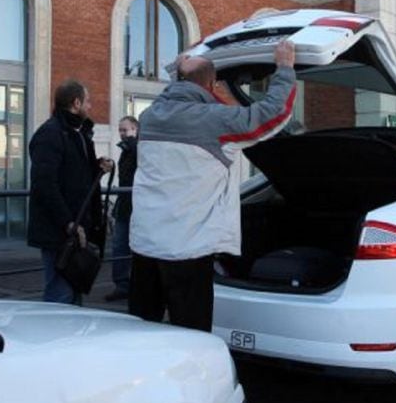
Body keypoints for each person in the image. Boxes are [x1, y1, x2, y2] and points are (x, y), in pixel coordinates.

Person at [129, 40, 297, 332]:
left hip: (145, 245)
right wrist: (285, 68)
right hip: (187, 250)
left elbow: (175, 99)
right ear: (212, 84)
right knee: (192, 334)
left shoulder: (149, 116)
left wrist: (179, 74)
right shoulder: (215, 121)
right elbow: (273, 114)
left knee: (142, 330)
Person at [27, 80, 113, 304]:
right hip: (60, 231)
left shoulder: (79, 133)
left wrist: (97, 168)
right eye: (88, 101)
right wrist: (68, 223)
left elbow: (74, 173)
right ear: (76, 103)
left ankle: (71, 337)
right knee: (60, 293)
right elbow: (44, 184)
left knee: (74, 291)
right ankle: (56, 337)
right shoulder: (50, 134)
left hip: (76, 227)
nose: (91, 106)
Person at [105, 115, 138, 302]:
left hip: (134, 206)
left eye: (126, 130)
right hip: (125, 205)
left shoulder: (133, 147)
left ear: (135, 129)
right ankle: (123, 285)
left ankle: (127, 285)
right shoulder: (126, 149)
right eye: (120, 130)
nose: (123, 134)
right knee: (120, 246)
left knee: (125, 247)